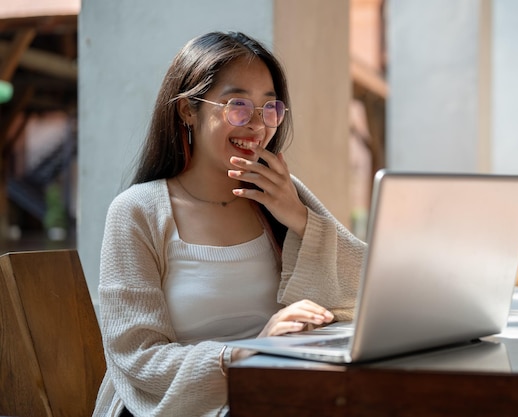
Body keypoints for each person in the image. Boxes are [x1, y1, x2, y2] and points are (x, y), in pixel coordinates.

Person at [92, 31, 366, 417]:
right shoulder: (137, 211)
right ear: (188, 109)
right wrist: (252, 353)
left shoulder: (282, 195)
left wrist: (302, 219)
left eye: (269, 108)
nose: (257, 125)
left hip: (277, 396)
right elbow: (136, 358)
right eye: (237, 105)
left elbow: (370, 294)